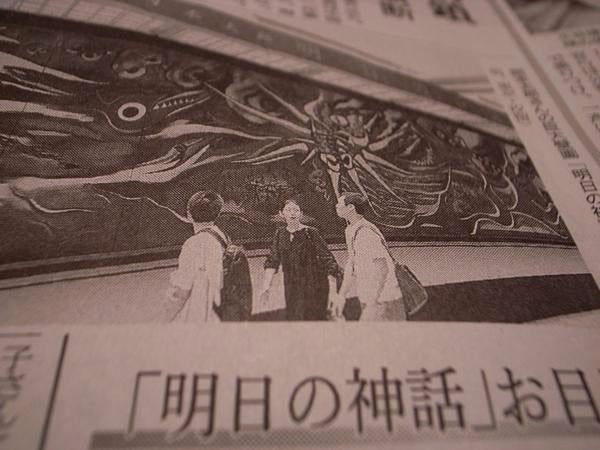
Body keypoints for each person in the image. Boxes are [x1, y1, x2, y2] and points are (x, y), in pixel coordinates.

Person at [259, 199, 340, 321]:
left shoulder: (311, 232)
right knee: (295, 319)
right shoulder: (280, 233)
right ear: (281, 213)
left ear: (301, 213)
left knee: (314, 320)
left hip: (315, 285)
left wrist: (333, 292)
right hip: (292, 286)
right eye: (288, 210)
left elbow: (328, 261)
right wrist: (266, 287)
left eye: (296, 210)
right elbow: (272, 260)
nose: (292, 213)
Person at [334, 192, 406, 321]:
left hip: (384, 299)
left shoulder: (365, 232)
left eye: (339, 203)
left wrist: (373, 303)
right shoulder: (350, 230)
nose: (336, 206)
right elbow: (351, 264)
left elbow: (382, 268)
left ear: (350, 207)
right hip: (369, 298)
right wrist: (342, 296)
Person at [166, 190, 227, 322]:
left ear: (189, 215)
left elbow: (182, 290)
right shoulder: (221, 236)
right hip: (218, 308)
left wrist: (165, 318)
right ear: (217, 213)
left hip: (200, 312)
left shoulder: (194, 244)